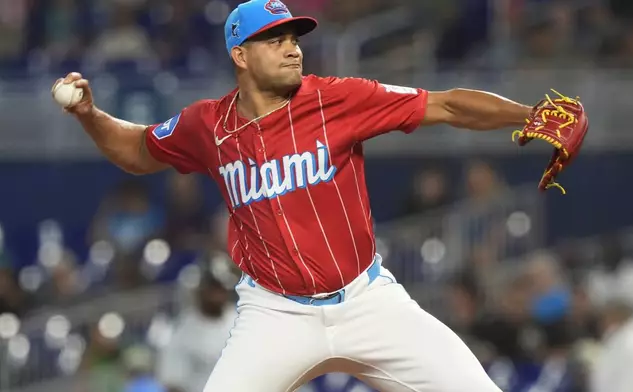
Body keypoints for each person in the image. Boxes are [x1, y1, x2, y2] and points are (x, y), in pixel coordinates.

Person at [53, 1, 542, 390]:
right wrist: (91, 116)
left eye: (293, 38)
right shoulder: (207, 125)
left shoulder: (338, 98)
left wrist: (533, 116)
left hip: (367, 301)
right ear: (239, 55)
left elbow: (447, 105)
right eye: (275, 39)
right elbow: (139, 150)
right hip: (275, 313)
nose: (293, 49)